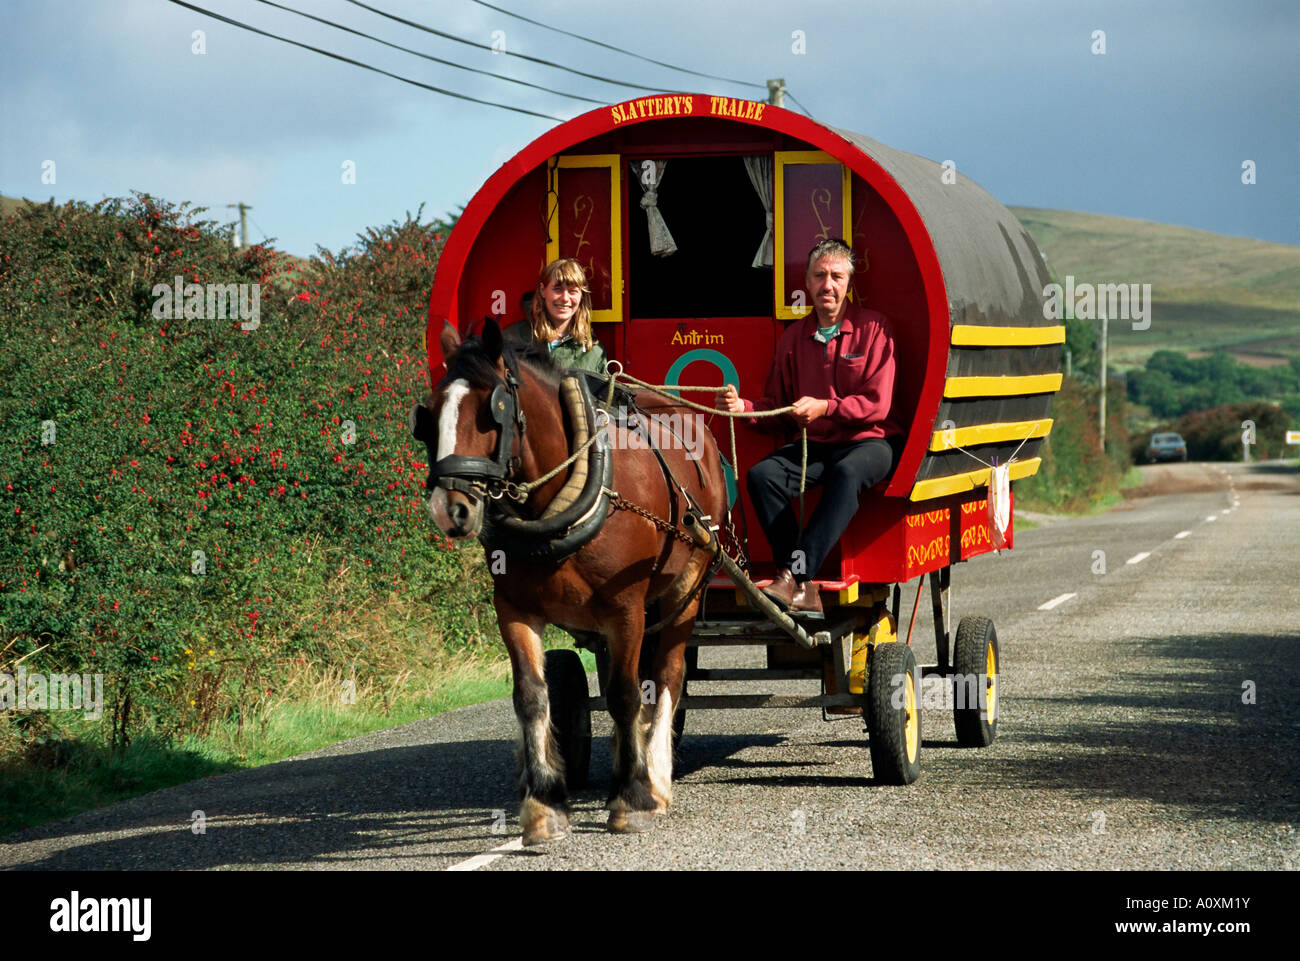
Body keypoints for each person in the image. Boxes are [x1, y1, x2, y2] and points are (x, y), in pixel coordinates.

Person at [718, 238, 902, 619]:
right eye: (819, 276)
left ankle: (794, 575)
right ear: (807, 281)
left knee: (847, 471)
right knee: (762, 475)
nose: (827, 285)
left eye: (836, 276)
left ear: (849, 282)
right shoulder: (793, 338)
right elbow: (780, 409)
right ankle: (801, 586)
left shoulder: (874, 328)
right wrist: (744, 408)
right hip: (815, 444)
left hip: (871, 441)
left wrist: (826, 407)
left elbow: (877, 404)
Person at [505, 258, 608, 374]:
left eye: (572, 291)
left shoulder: (593, 351)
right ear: (543, 290)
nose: (565, 298)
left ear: (582, 296)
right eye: (557, 289)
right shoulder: (513, 337)